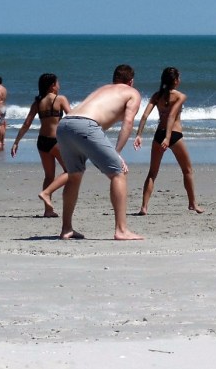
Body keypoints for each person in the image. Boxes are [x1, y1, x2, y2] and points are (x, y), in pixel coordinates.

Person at [56, 64, 144, 240]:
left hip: (65, 124)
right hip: (85, 125)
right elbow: (128, 123)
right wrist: (117, 152)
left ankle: (66, 229)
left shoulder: (104, 89)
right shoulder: (132, 93)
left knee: (74, 175)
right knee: (118, 173)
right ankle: (121, 230)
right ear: (131, 81)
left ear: (115, 79)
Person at [133, 67, 203, 215]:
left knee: (152, 173)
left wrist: (138, 134)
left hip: (159, 135)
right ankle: (193, 204)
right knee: (187, 170)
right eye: (179, 78)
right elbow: (171, 116)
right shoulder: (180, 96)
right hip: (174, 136)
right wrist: (168, 138)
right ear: (176, 81)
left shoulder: (157, 96)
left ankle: (144, 207)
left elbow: (144, 116)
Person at [10, 73, 73, 217]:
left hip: (42, 142)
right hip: (55, 141)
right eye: (57, 83)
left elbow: (27, 124)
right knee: (71, 171)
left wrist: (16, 142)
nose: (59, 85)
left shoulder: (38, 102)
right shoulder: (60, 99)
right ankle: (47, 192)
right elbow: (72, 118)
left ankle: (48, 210)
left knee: (49, 176)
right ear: (52, 85)